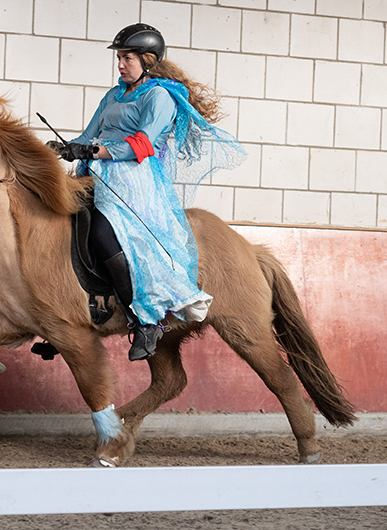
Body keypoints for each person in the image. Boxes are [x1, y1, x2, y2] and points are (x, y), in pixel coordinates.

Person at [48, 23, 246, 362]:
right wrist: (68, 148)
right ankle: (67, 310)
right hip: (95, 173)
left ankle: (145, 322)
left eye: (127, 58)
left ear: (148, 61)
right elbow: (90, 132)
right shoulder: (113, 95)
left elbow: (141, 144)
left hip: (133, 180)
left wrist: (93, 152)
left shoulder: (159, 96)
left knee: (102, 232)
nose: (121, 64)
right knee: (62, 222)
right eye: (120, 58)